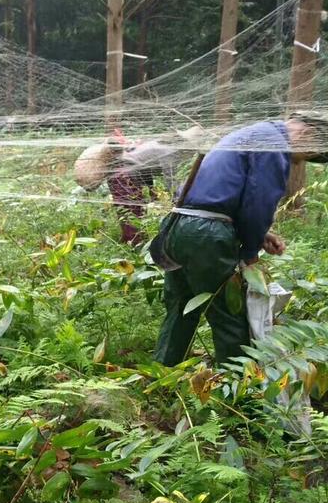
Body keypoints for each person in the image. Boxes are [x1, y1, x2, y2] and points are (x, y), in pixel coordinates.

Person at [154, 112, 328, 366]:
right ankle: (237, 391)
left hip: (178, 226)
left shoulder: (254, 132)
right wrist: (250, 254)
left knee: (182, 306)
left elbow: (219, 194)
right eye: (307, 156)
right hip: (207, 235)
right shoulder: (274, 145)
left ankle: (161, 374)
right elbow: (258, 204)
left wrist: (262, 234)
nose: (299, 164)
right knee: (228, 314)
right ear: (309, 134)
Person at [73, 127, 201, 245]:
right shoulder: (170, 153)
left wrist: (152, 191)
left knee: (131, 209)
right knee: (131, 210)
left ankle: (132, 240)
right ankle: (134, 244)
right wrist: (179, 199)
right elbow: (171, 181)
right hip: (124, 175)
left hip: (121, 173)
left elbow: (146, 167)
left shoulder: (159, 145)